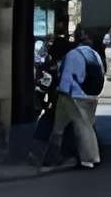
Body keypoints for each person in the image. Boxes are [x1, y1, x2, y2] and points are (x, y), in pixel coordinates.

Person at [44, 34, 104, 169]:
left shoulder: (72, 55)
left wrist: (61, 91)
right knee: (85, 124)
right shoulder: (94, 54)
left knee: (78, 126)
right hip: (91, 94)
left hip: (73, 95)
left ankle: (88, 159)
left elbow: (67, 76)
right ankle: (53, 155)